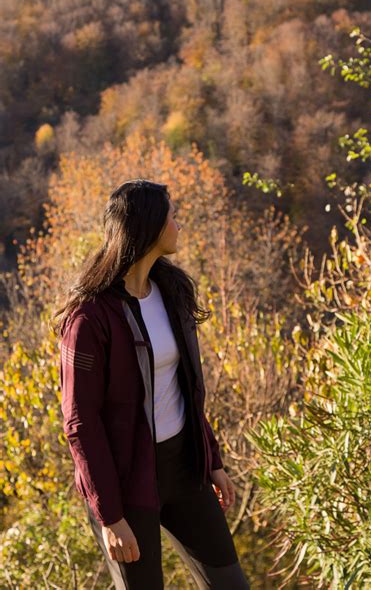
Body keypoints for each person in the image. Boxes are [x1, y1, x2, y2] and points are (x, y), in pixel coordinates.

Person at [52, 179, 250, 589]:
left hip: (184, 467)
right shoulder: (89, 319)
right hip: (124, 481)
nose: (179, 225)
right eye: (172, 217)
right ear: (149, 227)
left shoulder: (171, 291)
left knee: (231, 585)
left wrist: (211, 459)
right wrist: (109, 515)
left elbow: (185, 388)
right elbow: (79, 423)